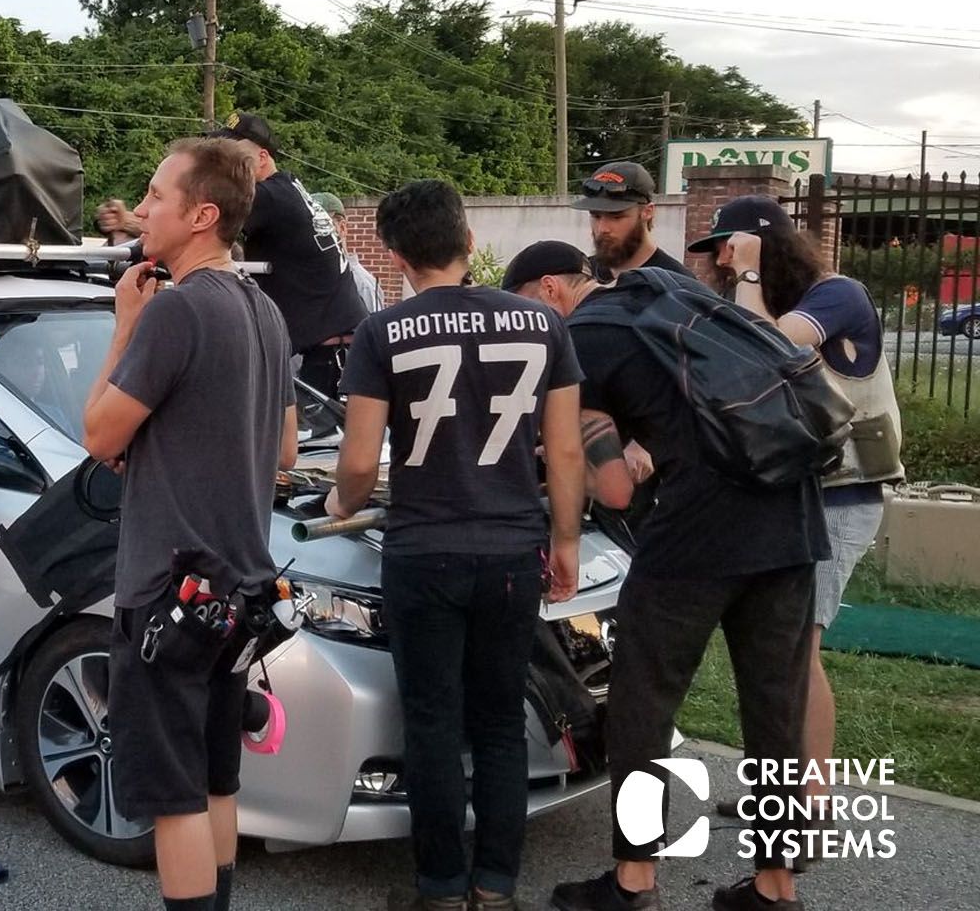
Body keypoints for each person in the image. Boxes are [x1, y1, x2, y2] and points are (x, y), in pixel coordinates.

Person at [505, 240, 826, 911]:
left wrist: (590, 465)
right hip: (792, 513)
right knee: (775, 708)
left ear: (547, 292)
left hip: (698, 533)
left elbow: (616, 491)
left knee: (642, 703)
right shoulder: (672, 297)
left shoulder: (580, 338)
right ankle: (775, 888)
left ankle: (633, 881)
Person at [324, 181, 585, 911]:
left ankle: (439, 889)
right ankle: (496, 889)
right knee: (500, 721)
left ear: (399, 255)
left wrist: (339, 501)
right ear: (470, 242)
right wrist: (564, 540)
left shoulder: (383, 333)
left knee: (433, 724)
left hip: (423, 549)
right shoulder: (542, 324)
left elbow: (357, 461)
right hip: (511, 550)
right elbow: (564, 455)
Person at [83, 136, 296, 911]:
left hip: (168, 594)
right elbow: (283, 444)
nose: (141, 210)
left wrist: (124, 325)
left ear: (203, 215)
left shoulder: (171, 313)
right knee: (214, 780)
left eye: (156, 196)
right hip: (240, 588)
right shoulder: (264, 311)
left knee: (172, 799)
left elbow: (100, 433)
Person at [692, 195, 902, 831]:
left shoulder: (838, 295)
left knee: (798, 652)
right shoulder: (774, 301)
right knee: (777, 651)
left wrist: (751, 276)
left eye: (730, 246)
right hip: (799, 496)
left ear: (761, 244)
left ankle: (809, 801)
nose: (722, 260)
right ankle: (779, 794)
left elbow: (765, 353)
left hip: (841, 500)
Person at [206, 113, 369, 403]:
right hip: (340, 349)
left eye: (233, 154)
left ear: (263, 156)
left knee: (314, 446)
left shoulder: (268, 197)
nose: (223, 163)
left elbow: (200, 226)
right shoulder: (288, 188)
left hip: (331, 357)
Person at [570, 162, 691, 283]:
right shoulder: (580, 275)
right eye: (596, 216)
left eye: (616, 217)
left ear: (647, 212)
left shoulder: (678, 286)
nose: (603, 229)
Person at [311, 189, 383, 315]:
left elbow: (375, 332)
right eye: (310, 226)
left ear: (342, 228)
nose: (316, 232)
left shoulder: (362, 284)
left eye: (323, 224)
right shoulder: (308, 279)